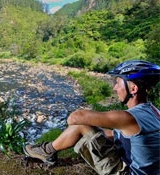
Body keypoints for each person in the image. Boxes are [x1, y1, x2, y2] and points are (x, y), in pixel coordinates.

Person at [23, 60, 160, 175]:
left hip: (128, 172)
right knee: (90, 130)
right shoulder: (154, 112)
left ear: (133, 89)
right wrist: (95, 132)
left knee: (80, 125)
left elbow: (74, 118)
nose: (114, 88)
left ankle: (47, 151)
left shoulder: (127, 117)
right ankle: (48, 150)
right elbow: (124, 136)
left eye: (118, 83)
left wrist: (87, 126)